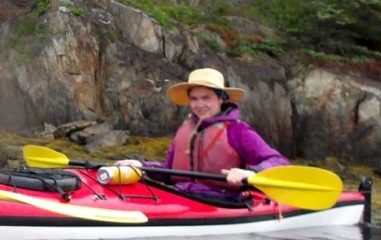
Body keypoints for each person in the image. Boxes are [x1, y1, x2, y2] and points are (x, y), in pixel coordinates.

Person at [116, 68, 289, 197]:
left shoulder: (238, 131)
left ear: (221, 99)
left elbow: (279, 162)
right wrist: (142, 166)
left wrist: (252, 173)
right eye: (194, 99)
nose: (200, 105)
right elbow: (170, 171)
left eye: (207, 98)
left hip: (222, 200)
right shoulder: (185, 130)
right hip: (181, 197)